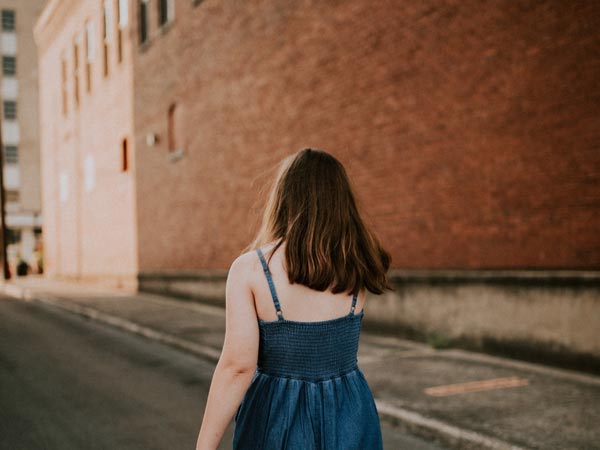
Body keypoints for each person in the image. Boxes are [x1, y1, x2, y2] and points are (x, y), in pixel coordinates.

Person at [195, 148, 392, 449]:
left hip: (276, 418)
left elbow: (237, 367)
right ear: (341, 201)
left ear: (284, 199)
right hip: (350, 414)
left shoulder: (250, 270)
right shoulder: (359, 262)